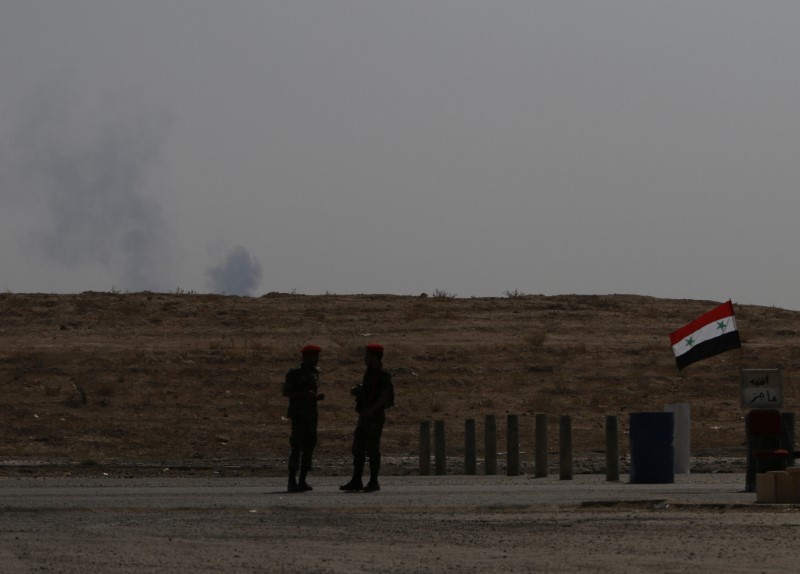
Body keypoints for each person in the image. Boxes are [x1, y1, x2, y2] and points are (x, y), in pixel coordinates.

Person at [340, 343, 394, 492]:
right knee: (358, 448)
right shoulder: (369, 372)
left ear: (374, 357)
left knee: (373, 449)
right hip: (365, 416)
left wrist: (370, 410)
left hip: (374, 417)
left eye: (367, 356)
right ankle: (356, 480)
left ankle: (373, 481)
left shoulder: (384, 375)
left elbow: (384, 397)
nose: (365, 358)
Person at [283, 344, 325, 493]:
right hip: (299, 415)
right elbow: (286, 392)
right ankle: (291, 480)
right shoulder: (294, 373)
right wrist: (303, 395)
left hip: (311, 416)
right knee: (296, 448)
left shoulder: (315, 373)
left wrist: (315, 398)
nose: (317, 359)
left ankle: (302, 480)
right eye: (315, 356)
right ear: (307, 357)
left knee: (309, 448)